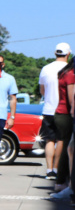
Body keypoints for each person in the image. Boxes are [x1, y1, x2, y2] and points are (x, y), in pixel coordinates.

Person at [37, 43, 70, 179]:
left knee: (49, 140)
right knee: (61, 140)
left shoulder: (46, 68)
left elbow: (42, 90)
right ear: (68, 54)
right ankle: (57, 169)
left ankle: (49, 169)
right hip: (64, 110)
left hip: (48, 109)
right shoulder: (69, 69)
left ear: (55, 53)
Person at [50, 58, 74, 199]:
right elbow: (72, 100)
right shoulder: (71, 75)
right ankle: (61, 181)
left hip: (59, 112)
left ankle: (59, 179)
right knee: (67, 149)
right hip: (66, 114)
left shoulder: (64, 73)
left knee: (63, 145)